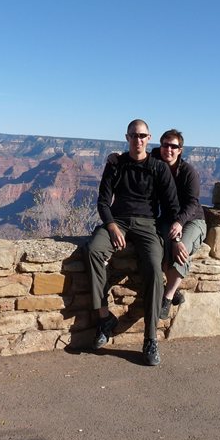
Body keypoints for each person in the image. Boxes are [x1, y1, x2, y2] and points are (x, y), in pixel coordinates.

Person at [86, 119, 180, 366]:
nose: (138, 140)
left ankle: (150, 339)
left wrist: (175, 237)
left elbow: (172, 207)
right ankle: (104, 317)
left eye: (142, 136)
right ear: (126, 137)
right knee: (94, 249)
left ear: (149, 139)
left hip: (147, 224)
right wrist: (113, 226)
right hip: (118, 221)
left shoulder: (158, 168)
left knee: (152, 265)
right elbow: (103, 202)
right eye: (134, 135)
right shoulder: (116, 164)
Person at [152, 129, 207, 320]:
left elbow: (192, 203)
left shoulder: (188, 172)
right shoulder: (156, 161)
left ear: (180, 150)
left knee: (181, 247)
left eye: (173, 146)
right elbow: (136, 155)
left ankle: (166, 299)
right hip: (168, 219)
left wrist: (179, 223)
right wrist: (116, 156)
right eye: (165, 145)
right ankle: (174, 291)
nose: (168, 149)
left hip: (192, 220)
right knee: (161, 249)